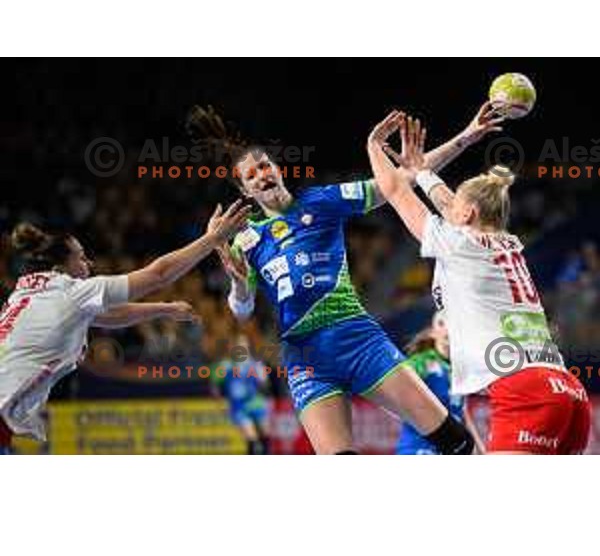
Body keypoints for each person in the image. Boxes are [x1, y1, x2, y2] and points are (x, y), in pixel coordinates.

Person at [188, 103, 501, 454]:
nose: (262, 174)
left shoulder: (321, 201)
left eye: (265, 165)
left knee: (453, 440)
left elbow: (399, 181)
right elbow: (241, 311)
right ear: (246, 191)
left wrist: (467, 137)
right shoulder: (247, 240)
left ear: (277, 168)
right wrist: (240, 284)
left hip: (357, 337)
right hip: (306, 357)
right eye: (251, 175)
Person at [367, 109, 591, 454]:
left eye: (457, 205)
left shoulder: (459, 244)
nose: (449, 206)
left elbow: (395, 189)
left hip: (525, 390)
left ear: (467, 214)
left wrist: (373, 145)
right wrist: (425, 172)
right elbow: (451, 207)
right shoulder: (509, 244)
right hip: (569, 391)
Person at [0, 200, 250, 454]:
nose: (89, 264)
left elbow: (108, 315)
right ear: (60, 266)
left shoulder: (25, 296)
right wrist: (212, 239)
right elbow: (158, 274)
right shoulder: (72, 292)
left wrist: (164, 309)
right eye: (81, 257)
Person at [395, 312, 484, 455]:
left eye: (453, 324)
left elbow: (462, 412)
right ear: (432, 332)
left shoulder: (461, 368)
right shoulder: (421, 361)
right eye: (442, 324)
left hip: (450, 449)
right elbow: (396, 387)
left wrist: (480, 450)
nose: (448, 328)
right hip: (418, 449)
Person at [214, 334, 271, 454]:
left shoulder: (255, 364)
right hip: (238, 406)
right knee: (252, 438)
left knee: (265, 434)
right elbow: (216, 385)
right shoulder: (226, 365)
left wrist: (262, 378)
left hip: (255, 402)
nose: (241, 347)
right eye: (238, 345)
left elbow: (265, 385)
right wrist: (220, 401)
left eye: (243, 345)